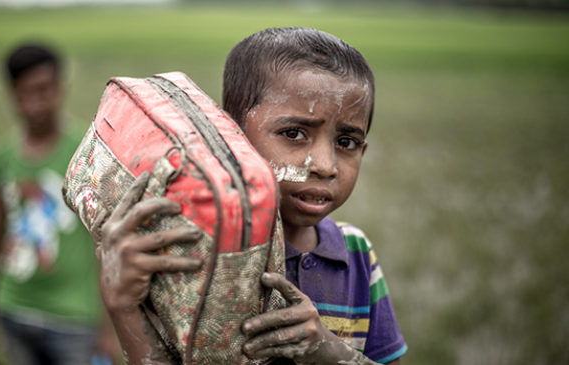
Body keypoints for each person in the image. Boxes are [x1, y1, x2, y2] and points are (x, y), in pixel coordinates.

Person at [98, 27, 406, 364]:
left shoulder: (357, 253)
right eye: (294, 133)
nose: (324, 165)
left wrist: (326, 349)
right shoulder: (192, 254)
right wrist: (122, 303)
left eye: (346, 142)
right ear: (231, 135)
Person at [0, 43, 120, 365]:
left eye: (44, 90)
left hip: (74, 319)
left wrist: (109, 330)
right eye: (25, 94)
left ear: (60, 89)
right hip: (14, 309)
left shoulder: (87, 155)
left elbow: (108, 245)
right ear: (12, 94)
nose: (36, 104)